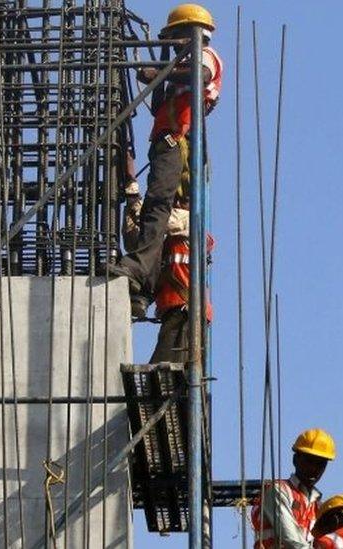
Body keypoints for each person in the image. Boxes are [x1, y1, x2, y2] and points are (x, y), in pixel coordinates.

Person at [107, 3, 223, 318]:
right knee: (156, 211)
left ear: (191, 33)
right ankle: (143, 284)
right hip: (167, 142)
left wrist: (159, 71)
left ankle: (139, 269)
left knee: (158, 204)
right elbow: (157, 101)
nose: (173, 44)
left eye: (176, 37)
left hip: (177, 142)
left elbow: (199, 75)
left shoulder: (203, 56)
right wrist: (160, 66)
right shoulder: (179, 65)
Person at [148, 195, 213, 362]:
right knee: (175, 366)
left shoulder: (192, 227)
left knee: (166, 364)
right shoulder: (171, 241)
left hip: (185, 310)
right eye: (175, 201)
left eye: (183, 201)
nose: (177, 205)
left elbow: (163, 220)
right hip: (177, 309)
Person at [251, 429, 336, 548]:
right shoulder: (277, 491)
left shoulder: (317, 507)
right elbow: (291, 540)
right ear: (295, 460)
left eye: (320, 464)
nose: (314, 469)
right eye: (309, 461)